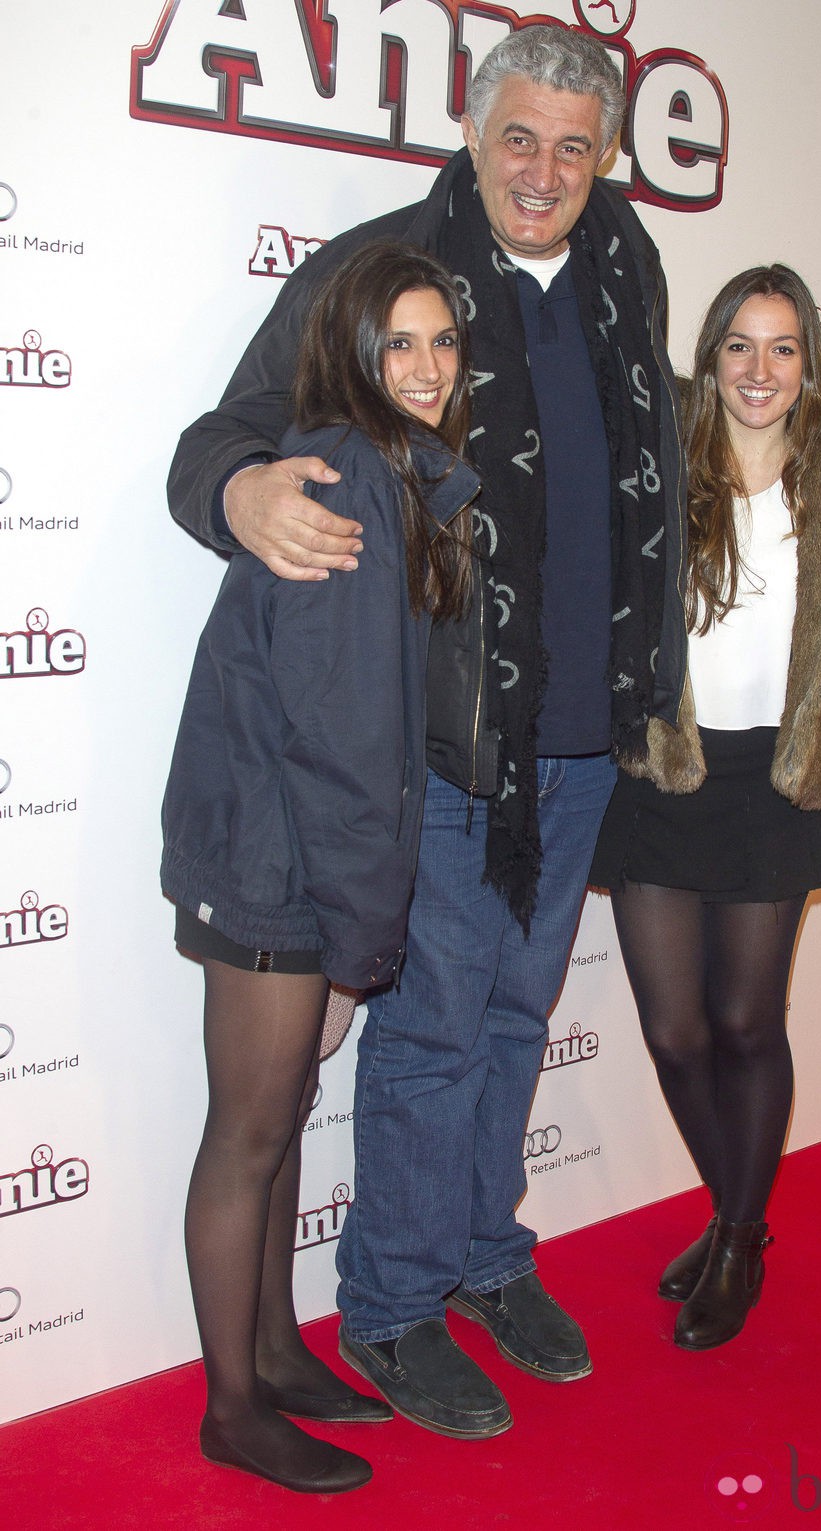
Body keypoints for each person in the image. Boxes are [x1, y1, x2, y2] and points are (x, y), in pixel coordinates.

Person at [167, 24, 688, 1439]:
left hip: (584, 738)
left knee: (516, 1019)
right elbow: (220, 434)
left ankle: (480, 1251)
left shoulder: (629, 270)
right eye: (520, 137)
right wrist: (238, 496)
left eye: (577, 146)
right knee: (436, 1031)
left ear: (608, 160)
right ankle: (393, 1300)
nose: (544, 170)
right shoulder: (383, 269)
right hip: (448, 735)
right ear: (470, 133)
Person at [161, 241, 479, 1491]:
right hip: (267, 853)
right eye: (395, 344)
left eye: (442, 341)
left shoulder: (383, 470)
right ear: (347, 353)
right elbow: (345, 740)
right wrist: (358, 951)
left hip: (274, 840)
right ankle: (231, 1406)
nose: (425, 367)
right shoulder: (346, 472)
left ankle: (280, 1351)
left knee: (282, 1112)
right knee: (248, 1130)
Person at [592, 264, 821, 1350]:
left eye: (780, 349)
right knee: (672, 1030)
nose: (758, 371)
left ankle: (732, 1236)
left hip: (772, 779)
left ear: (806, 364)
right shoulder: (664, 459)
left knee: (740, 1022)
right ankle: (739, 1220)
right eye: (738, 346)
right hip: (661, 769)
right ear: (708, 354)